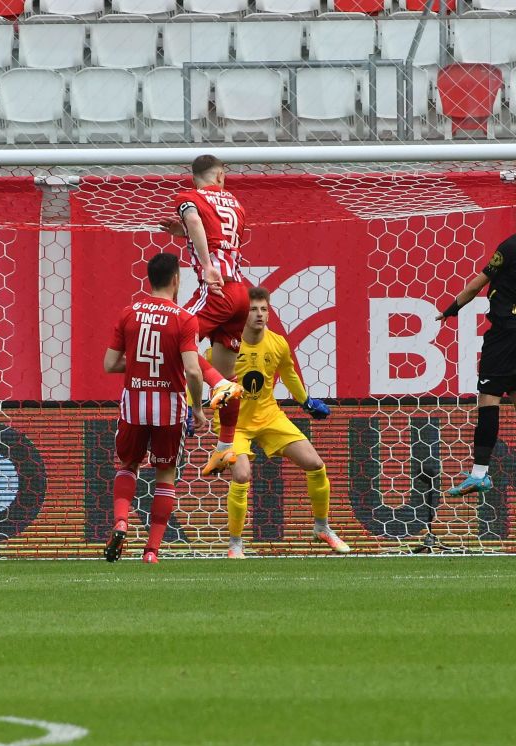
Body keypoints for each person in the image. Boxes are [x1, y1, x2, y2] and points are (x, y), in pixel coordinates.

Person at [436, 193, 516, 511]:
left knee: (488, 399)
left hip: (505, 333)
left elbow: (477, 284)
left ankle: (479, 473)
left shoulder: (511, 245)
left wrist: (451, 308)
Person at [223, 286, 348, 559]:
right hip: (236, 424)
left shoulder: (278, 343)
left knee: (315, 464)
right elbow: (201, 374)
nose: (259, 314)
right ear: (242, 315)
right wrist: (191, 408)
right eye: (253, 309)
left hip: (269, 416)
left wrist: (306, 402)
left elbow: (289, 374)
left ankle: (322, 527)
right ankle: (235, 544)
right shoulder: (227, 346)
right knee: (242, 475)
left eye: (264, 309)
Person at [102, 252, 208, 564]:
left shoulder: (128, 312)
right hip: (169, 408)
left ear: (150, 278)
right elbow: (193, 371)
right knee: (165, 474)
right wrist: (199, 410)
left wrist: (138, 366)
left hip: (134, 403)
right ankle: (151, 551)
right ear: (176, 279)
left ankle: (121, 521)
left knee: (127, 465)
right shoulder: (185, 318)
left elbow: (110, 364)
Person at [159, 154, 249, 478]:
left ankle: (217, 384)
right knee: (229, 381)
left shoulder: (188, 198)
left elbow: (197, 222)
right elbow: (222, 239)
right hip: (240, 294)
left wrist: (207, 263)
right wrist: (182, 234)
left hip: (216, 291)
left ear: (194, 176)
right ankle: (225, 448)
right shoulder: (237, 205)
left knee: (170, 335)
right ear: (221, 176)